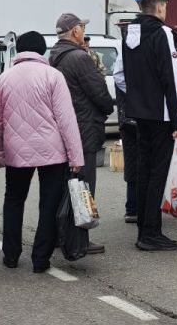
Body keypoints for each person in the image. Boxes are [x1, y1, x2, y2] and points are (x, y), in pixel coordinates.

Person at [0, 31, 84, 273]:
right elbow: (66, 119)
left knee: (13, 200)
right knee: (49, 203)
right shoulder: (53, 75)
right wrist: (76, 156)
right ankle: (41, 259)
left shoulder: (4, 78)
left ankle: (11, 255)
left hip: (16, 150)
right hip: (51, 150)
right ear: (42, 50)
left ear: (19, 51)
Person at [122, 0, 177, 252]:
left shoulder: (127, 33)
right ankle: (151, 233)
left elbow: (122, 76)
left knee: (144, 172)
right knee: (158, 174)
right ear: (159, 7)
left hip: (139, 112)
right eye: (165, 7)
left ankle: (144, 230)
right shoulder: (163, 33)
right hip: (161, 114)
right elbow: (172, 78)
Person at [49, 13, 114, 255]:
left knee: (65, 185)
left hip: (64, 128)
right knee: (83, 187)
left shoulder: (54, 56)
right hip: (84, 127)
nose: (83, 32)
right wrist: (107, 108)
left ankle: (59, 235)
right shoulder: (79, 58)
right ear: (75, 32)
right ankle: (78, 240)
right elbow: (99, 92)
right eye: (82, 28)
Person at [112, 53, 138, 223]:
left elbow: (118, 75)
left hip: (127, 118)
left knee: (133, 164)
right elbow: (118, 76)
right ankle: (135, 208)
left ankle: (133, 208)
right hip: (135, 119)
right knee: (140, 164)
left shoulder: (125, 51)